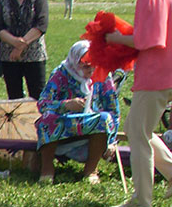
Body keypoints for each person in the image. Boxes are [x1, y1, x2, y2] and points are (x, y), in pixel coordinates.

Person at [106, 0, 172, 207]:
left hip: (157, 73)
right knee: (137, 128)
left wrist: (115, 38)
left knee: (138, 134)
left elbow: (149, 40)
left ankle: (142, 200)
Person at [35, 41, 120, 185]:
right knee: (47, 119)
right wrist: (66, 104)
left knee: (104, 118)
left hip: (90, 122)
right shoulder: (61, 73)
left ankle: (91, 170)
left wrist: (112, 140)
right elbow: (43, 104)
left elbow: (113, 109)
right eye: (86, 66)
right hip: (64, 122)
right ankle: (47, 170)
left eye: (94, 64)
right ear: (75, 62)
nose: (91, 69)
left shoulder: (103, 74)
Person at [0, 0, 49, 100]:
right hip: (9, 56)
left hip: (34, 54)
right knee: (14, 98)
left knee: (38, 97)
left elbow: (41, 24)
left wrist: (21, 45)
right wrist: (14, 42)